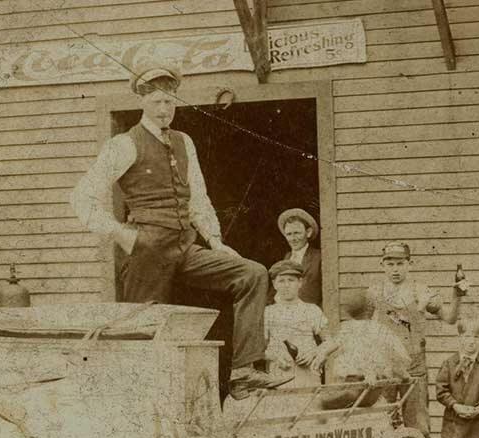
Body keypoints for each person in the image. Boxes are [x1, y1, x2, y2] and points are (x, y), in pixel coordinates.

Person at [69, 62, 290, 399]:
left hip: (185, 246)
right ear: (142, 101)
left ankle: (244, 369)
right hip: (147, 250)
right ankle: (128, 402)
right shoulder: (124, 144)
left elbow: (198, 198)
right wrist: (122, 234)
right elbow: (81, 197)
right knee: (141, 333)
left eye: (170, 102)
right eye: (157, 101)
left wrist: (216, 241)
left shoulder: (184, 142)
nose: (164, 109)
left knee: (253, 274)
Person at [366, 241, 466, 437]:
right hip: (383, 366)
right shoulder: (373, 293)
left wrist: (457, 296)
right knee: (378, 425)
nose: (395, 269)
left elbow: (450, 318)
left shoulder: (421, 291)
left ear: (409, 264)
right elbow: (364, 331)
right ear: (382, 265)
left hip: (414, 366)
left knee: (418, 425)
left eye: (400, 264)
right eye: (390, 264)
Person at [301, 291, 410, 408]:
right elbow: (402, 358)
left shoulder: (348, 328)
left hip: (354, 389)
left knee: (315, 403)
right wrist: (403, 375)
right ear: (373, 310)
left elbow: (330, 346)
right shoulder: (383, 330)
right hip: (374, 393)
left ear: (348, 312)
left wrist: (320, 355)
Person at [263, 260, 328, 388]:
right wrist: (274, 357)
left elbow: (330, 341)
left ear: (300, 283)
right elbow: (259, 349)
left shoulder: (311, 310)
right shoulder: (268, 312)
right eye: (281, 281)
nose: (286, 285)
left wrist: (314, 352)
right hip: (280, 375)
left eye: (291, 280)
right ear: (274, 284)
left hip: (308, 375)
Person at [278, 208, 322, 305]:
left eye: (297, 233)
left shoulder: (318, 258)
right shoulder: (285, 259)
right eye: (289, 234)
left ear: (308, 232)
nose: (293, 239)